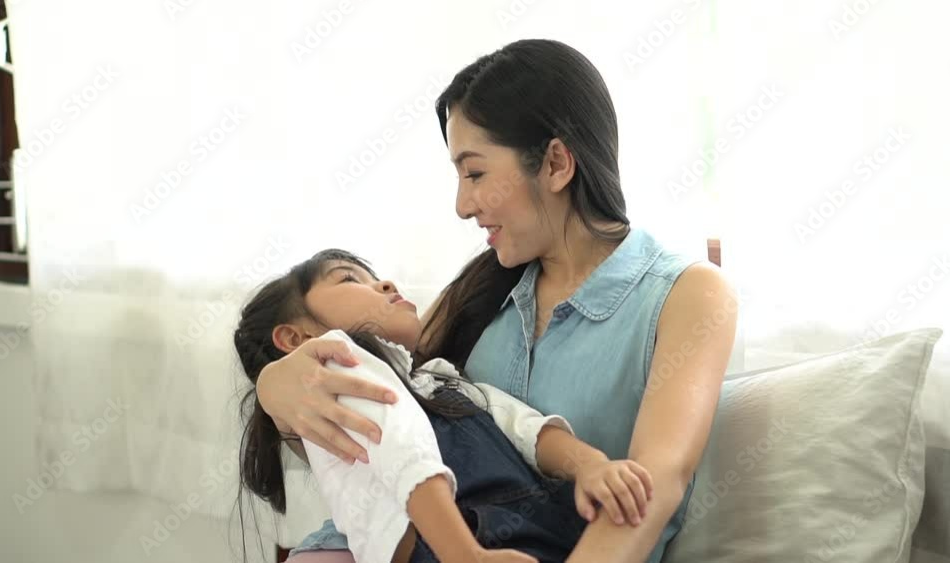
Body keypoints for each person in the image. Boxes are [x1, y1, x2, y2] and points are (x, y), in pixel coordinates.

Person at [258, 39, 737, 563]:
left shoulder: (688, 294)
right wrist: (272, 386)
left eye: (475, 173)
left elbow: (656, 483)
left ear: (555, 164)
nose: (462, 205)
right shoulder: (474, 292)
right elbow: (378, 410)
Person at [233, 249, 657, 563]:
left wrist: (590, 465)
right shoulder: (337, 371)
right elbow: (405, 453)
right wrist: (465, 553)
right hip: (458, 544)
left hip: (540, 529)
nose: (386, 284)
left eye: (375, 275)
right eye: (349, 278)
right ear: (296, 339)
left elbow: (521, 427)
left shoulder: (437, 378)